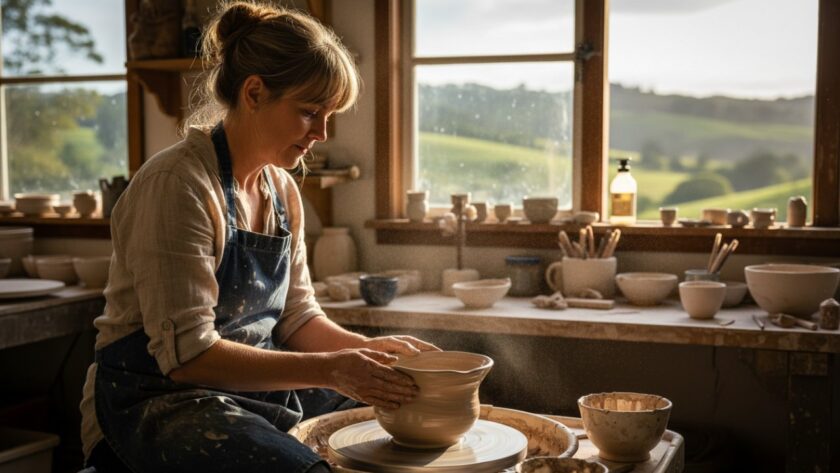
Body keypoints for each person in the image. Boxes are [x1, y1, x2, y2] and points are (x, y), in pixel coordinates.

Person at [79, 2, 438, 472]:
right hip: (158, 400)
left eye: (329, 115)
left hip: (242, 389)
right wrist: (334, 367)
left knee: (394, 410)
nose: (322, 133)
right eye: (311, 112)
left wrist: (365, 352)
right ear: (253, 93)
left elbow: (296, 317)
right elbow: (188, 356)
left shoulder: (282, 188)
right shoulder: (178, 185)